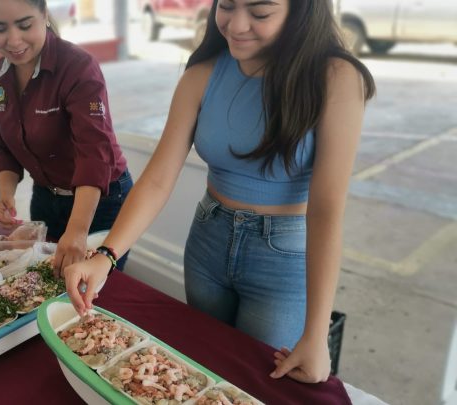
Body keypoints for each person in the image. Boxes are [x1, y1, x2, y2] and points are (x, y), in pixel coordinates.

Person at [64, 0, 375, 384]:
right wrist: (107, 254)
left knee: (258, 379)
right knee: (203, 370)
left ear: (300, 11)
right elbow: (159, 177)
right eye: (226, 6)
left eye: (260, 13)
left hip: (283, 256)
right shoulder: (203, 73)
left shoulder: (335, 77)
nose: (237, 25)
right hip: (209, 239)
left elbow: (326, 209)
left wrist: (316, 334)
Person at [0, 0, 132, 273]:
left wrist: (77, 230)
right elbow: (2, 145)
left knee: (91, 292)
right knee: (45, 281)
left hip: (99, 201)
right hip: (46, 197)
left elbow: (94, 153)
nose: (13, 40)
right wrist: (6, 192)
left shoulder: (77, 66)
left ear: (45, 16)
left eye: (25, 25)